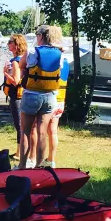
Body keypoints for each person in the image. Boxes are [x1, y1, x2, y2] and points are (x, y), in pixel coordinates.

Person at [18, 25, 64, 169]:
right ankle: (39, 166)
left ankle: (22, 165)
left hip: (32, 94)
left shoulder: (32, 51)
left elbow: (21, 64)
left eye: (37, 35)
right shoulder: (60, 53)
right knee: (42, 132)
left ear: (41, 36)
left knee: (25, 131)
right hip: (50, 96)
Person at [43, 26, 68, 169]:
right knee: (53, 130)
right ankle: (51, 159)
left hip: (49, 97)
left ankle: (36, 159)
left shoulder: (50, 58)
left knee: (38, 129)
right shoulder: (65, 60)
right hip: (61, 99)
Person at [3, 33, 27, 161]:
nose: (8, 44)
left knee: (19, 125)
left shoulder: (17, 62)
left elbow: (16, 81)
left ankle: (19, 153)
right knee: (21, 125)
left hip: (17, 97)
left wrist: (5, 73)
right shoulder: (23, 59)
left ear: (16, 45)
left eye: (10, 42)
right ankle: (19, 151)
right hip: (21, 96)